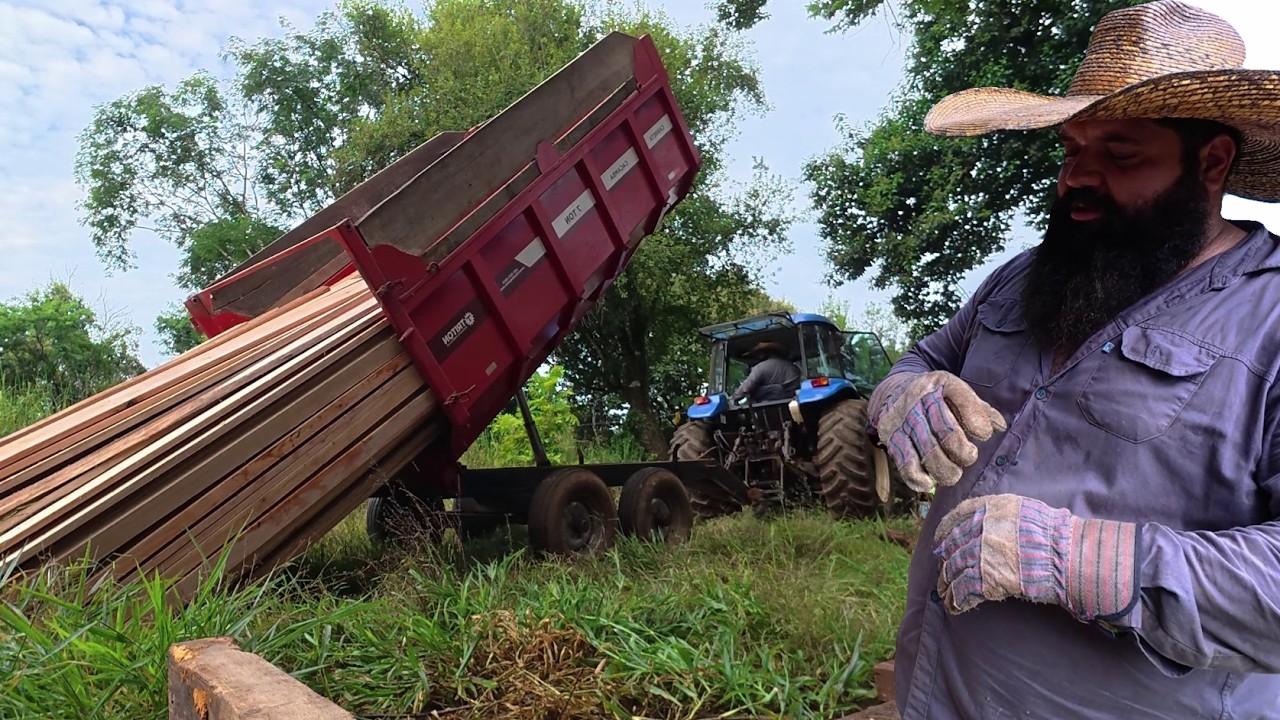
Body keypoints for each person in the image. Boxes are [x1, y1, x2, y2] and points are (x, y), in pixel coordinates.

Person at [865, 2, 1280, 717]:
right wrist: (901, 396)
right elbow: (920, 361)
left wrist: (1084, 561)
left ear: (1212, 162)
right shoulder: (1022, 277)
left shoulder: (1269, 316)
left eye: (1120, 154)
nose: (1078, 178)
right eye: (1071, 149)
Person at [731, 341, 801, 404]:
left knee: (752, 391)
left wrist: (734, 398)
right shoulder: (792, 366)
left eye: (759, 352)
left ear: (765, 352)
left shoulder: (760, 367)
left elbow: (746, 387)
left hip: (771, 404)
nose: (757, 355)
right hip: (793, 403)